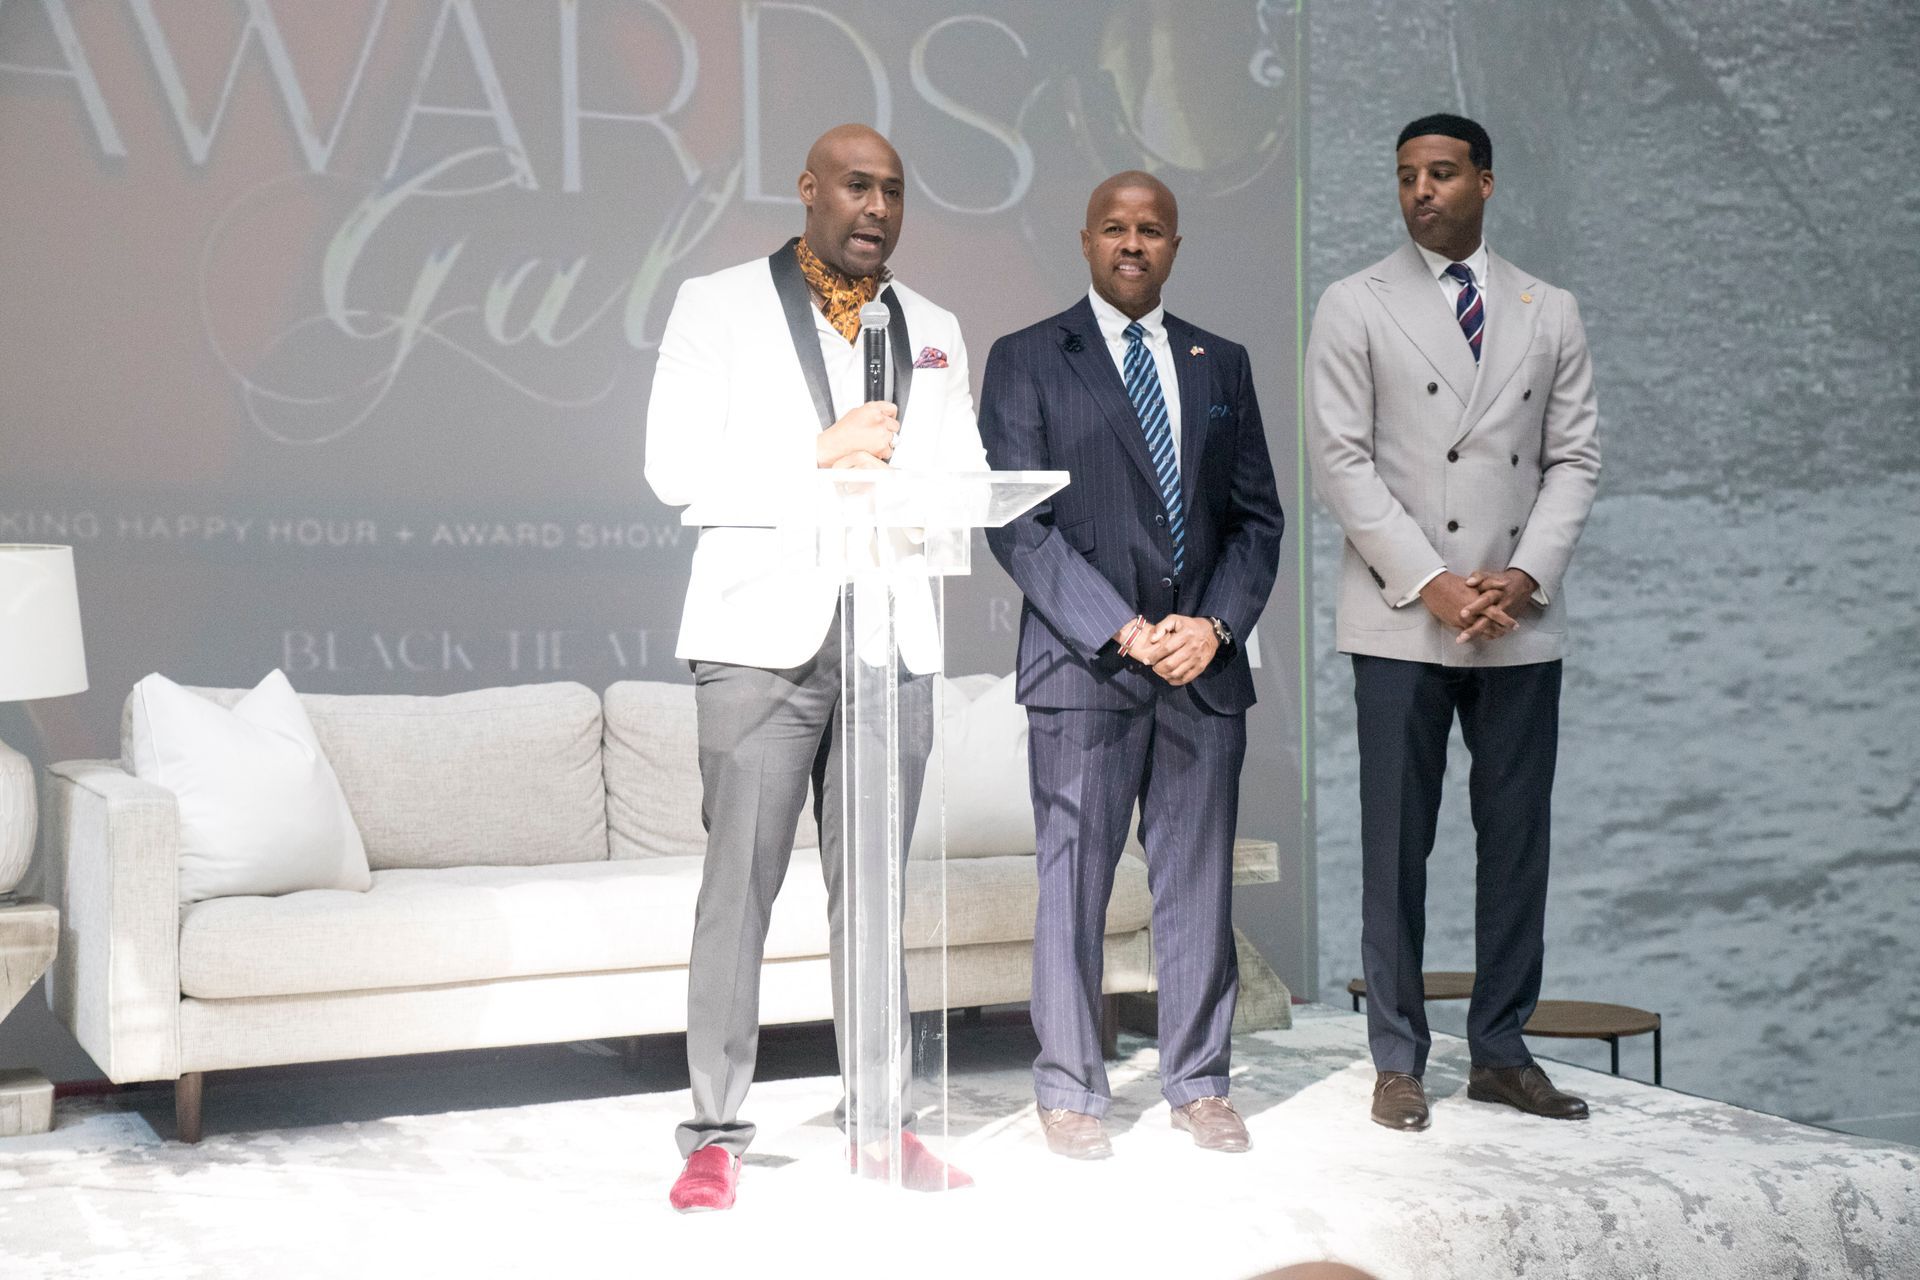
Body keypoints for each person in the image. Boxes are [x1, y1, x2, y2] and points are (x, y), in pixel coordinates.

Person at [644, 123, 986, 1209]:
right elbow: (672, 467)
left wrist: (937, 491)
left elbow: (969, 476)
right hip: (760, 641)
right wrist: (818, 453)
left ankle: (879, 1122)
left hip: (892, 637)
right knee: (735, 893)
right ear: (807, 191)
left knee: (875, 898)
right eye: (855, 185)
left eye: (892, 189)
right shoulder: (717, 302)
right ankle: (713, 1130)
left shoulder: (932, 328)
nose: (876, 206)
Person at [1304, 113, 1601, 1131]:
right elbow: (1342, 461)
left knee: (1517, 839)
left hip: (1516, 617)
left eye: (1440, 173)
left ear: (1485, 179)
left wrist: (1524, 574)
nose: (1420, 191)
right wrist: (1432, 580)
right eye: (1404, 177)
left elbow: (1573, 458)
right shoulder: (1355, 303)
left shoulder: (1547, 307)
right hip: (1401, 615)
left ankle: (1502, 1048)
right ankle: (1397, 1056)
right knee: (1397, 843)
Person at [979, 172, 1284, 1159]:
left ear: (1176, 245)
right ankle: (1070, 1085)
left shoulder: (1222, 362)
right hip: (1085, 668)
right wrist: (1118, 626)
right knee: (1074, 883)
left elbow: (1256, 522)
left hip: (1202, 672)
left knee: (1197, 887)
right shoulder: (1027, 358)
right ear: (1084, 238)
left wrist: (1217, 627)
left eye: (1151, 229)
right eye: (1114, 226)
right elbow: (1020, 526)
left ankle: (1199, 1082)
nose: (1132, 242)